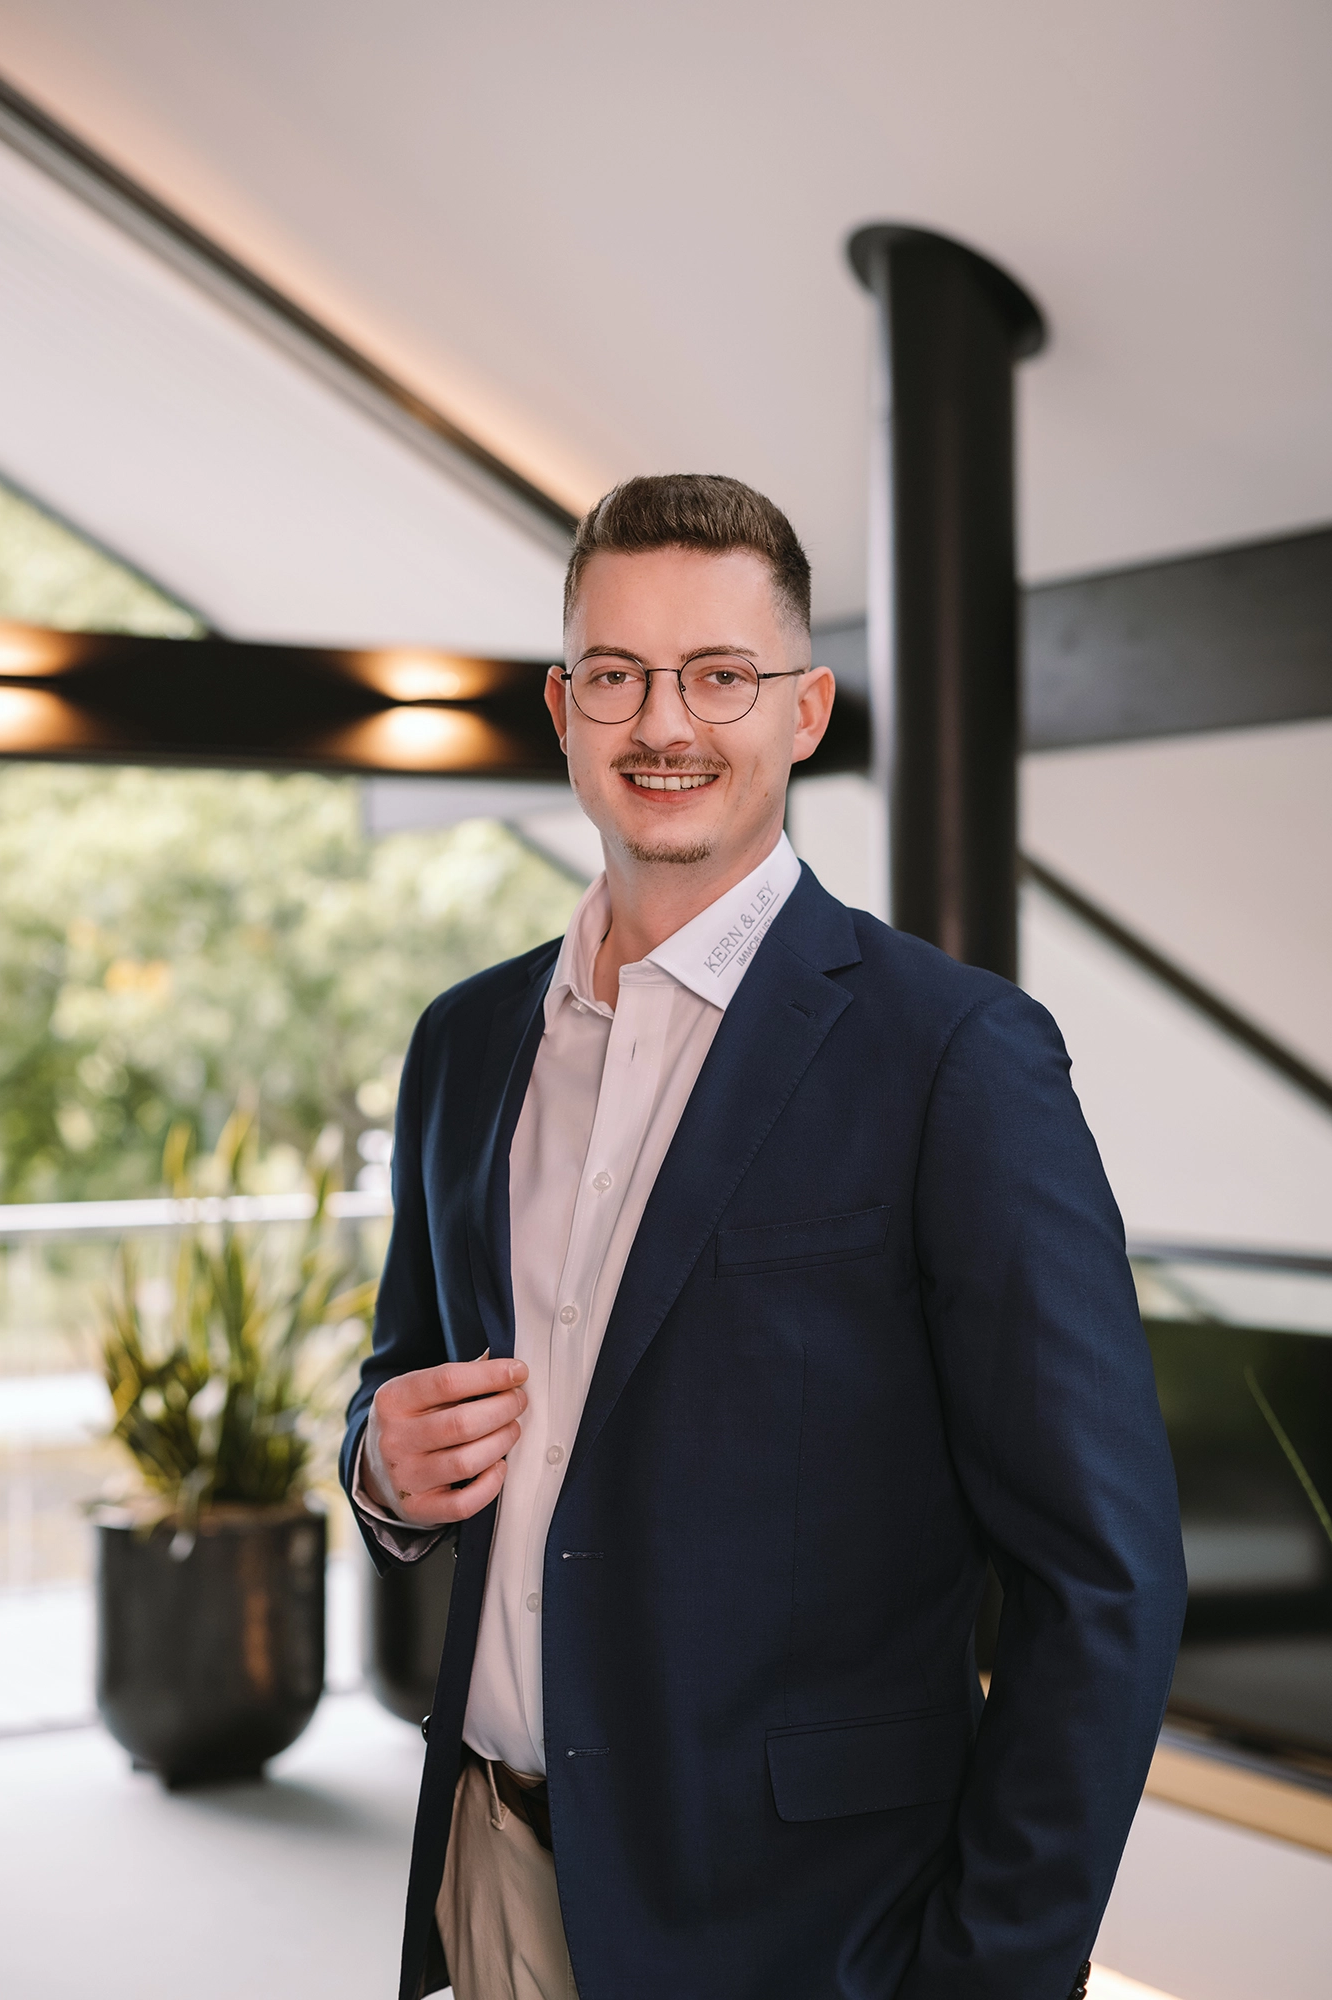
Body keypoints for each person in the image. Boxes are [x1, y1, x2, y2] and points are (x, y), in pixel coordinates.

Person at [341, 473, 1187, 2000]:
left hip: (801, 1928)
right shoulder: (462, 1043)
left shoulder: (954, 1056)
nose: (665, 723)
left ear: (804, 711)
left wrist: (990, 1981)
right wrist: (380, 1472)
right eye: (617, 675)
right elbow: (401, 1376)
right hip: (494, 1865)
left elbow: (1106, 1581)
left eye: (720, 675)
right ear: (564, 710)